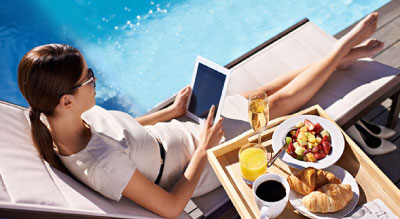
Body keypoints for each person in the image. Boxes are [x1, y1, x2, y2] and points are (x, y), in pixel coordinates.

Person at [18, 12, 382, 217]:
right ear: (66, 100)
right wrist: (205, 146)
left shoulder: (59, 122)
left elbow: (124, 131)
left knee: (264, 90)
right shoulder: (101, 166)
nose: (94, 81)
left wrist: (170, 113)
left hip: (183, 128)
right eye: (88, 78)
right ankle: (341, 48)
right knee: (280, 100)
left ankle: (338, 60)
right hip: (203, 158)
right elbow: (173, 207)